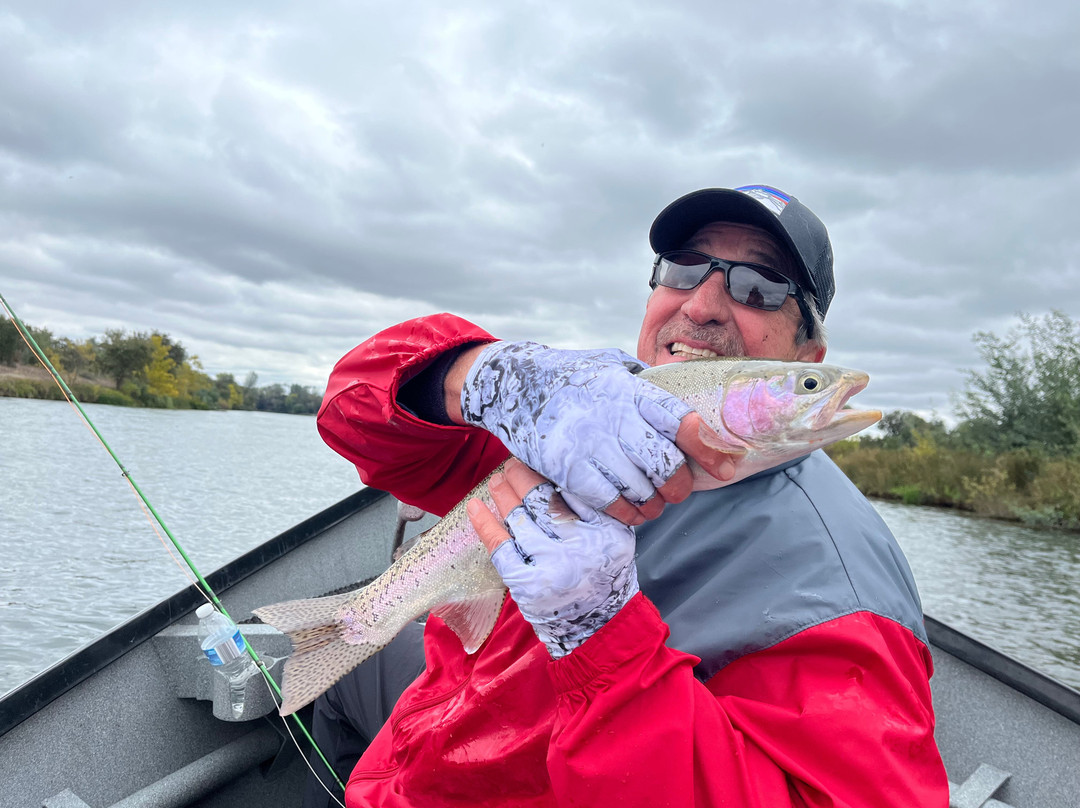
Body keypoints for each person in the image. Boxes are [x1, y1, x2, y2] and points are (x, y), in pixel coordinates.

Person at [306, 185, 949, 807]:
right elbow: (351, 419)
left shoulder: (839, 593)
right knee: (334, 677)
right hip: (430, 746)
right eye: (683, 268)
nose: (702, 305)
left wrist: (600, 635)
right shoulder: (568, 419)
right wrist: (482, 376)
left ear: (806, 354)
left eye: (759, 288)